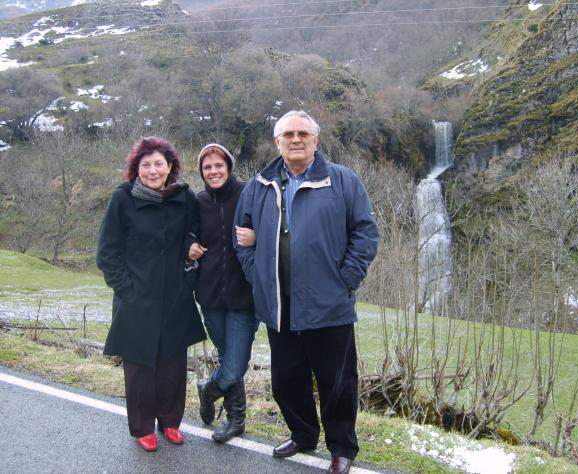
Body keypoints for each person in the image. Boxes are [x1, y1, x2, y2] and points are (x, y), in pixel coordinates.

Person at [234, 110, 379, 474]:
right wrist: (258, 276)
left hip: (328, 304)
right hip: (279, 305)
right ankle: (303, 434)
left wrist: (347, 278)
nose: (295, 139)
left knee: (338, 383)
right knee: (286, 381)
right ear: (277, 142)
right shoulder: (259, 185)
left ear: (315, 140)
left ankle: (342, 448)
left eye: (303, 134)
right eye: (288, 135)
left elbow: (365, 233)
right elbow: (241, 236)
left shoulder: (342, 181)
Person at [96, 136, 206, 452]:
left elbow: (194, 234)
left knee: (173, 364)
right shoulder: (123, 198)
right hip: (136, 298)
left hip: (175, 296)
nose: (153, 170)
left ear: (170, 166)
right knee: (140, 367)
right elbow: (107, 252)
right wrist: (126, 290)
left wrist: (189, 261)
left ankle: (170, 421)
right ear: (137, 168)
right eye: (146, 165)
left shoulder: (184, 197)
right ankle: (143, 427)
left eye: (159, 164)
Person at [187, 143, 258, 443]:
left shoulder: (248, 193)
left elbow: (272, 226)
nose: (213, 171)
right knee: (228, 355)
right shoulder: (199, 201)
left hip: (244, 296)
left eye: (218, 165)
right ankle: (235, 419)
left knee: (235, 364)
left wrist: (256, 235)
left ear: (229, 166)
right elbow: (186, 233)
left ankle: (208, 390)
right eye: (207, 167)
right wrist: (188, 246)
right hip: (211, 295)